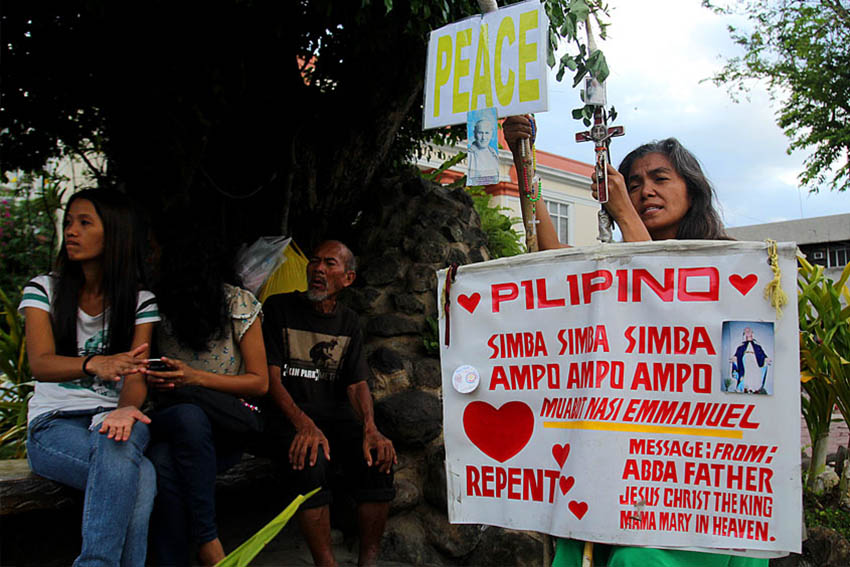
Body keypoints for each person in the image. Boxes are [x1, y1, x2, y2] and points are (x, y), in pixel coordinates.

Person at [504, 117, 765, 567]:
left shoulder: (729, 268)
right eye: (636, 182)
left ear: (692, 189)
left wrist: (622, 211)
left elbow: (667, 315)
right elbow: (549, 259)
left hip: (695, 475)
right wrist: (522, 158)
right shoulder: (611, 268)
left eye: (661, 179)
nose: (646, 191)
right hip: (619, 464)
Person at [19, 188, 159, 567]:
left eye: (84, 222)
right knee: (140, 477)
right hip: (54, 424)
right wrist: (93, 364)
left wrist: (125, 410)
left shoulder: (140, 301)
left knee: (117, 444)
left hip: (118, 418)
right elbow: (41, 363)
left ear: (113, 233)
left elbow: (136, 375)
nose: (71, 232)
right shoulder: (43, 289)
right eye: (68, 222)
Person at [253, 240, 396, 567]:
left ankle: (368, 562)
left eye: (329, 264)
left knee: (379, 459)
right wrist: (303, 424)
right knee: (310, 457)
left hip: (335, 418)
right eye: (314, 262)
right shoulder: (279, 308)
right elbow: (270, 378)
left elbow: (357, 383)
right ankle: (326, 563)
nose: (318, 269)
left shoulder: (348, 322)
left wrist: (371, 429)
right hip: (288, 417)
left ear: (348, 278)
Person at [143, 228, 269, 566]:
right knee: (186, 418)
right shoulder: (156, 308)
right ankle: (208, 542)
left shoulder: (238, 303)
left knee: (163, 463)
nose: (152, 262)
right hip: (172, 418)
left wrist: (195, 378)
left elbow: (260, 384)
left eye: (159, 255)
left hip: (224, 427)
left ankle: (188, 552)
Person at [732, 327, 771, 394]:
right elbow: (738, 354)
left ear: (752, 333)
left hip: (754, 360)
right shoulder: (741, 346)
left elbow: (761, 354)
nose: (748, 332)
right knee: (747, 374)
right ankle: (747, 388)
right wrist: (735, 358)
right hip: (745, 360)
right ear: (744, 334)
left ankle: (754, 389)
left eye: (749, 331)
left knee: (755, 373)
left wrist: (765, 358)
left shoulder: (757, 346)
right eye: (746, 331)